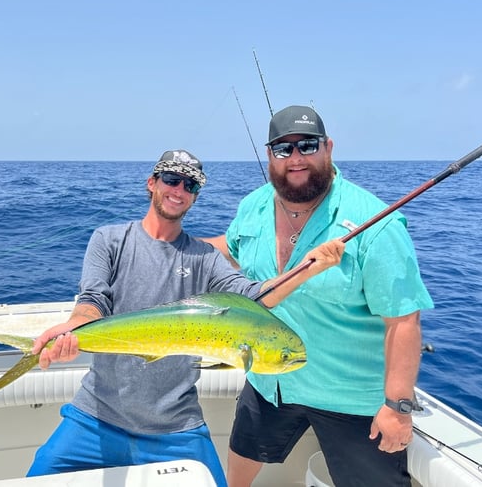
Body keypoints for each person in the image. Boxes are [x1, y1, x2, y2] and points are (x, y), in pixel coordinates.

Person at [25, 149, 345, 487]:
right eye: (171, 179)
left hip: (176, 428)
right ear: (152, 183)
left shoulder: (204, 258)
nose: (179, 190)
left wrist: (309, 268)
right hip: (95, 417)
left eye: (190, 185)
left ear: (195, 196)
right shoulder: (110, 240)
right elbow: (93, 301)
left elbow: (255, 297)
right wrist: (77, 326)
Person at [205, 106, 434, 487]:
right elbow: (225, 249)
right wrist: (165, 247)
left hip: (350, 398)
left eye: (307, 146)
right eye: (283, 149)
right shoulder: (254, 206)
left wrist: (397, 406)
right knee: (241, 461)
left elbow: (403, 321)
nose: (295, 158)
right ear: (269, 155)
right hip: (270, 380)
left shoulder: (375, 222)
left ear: (328, 148)